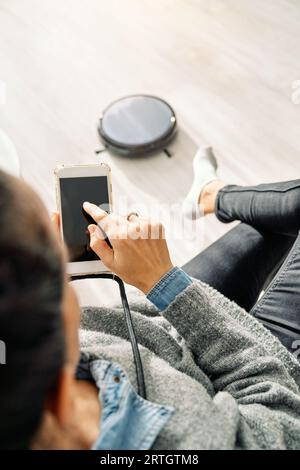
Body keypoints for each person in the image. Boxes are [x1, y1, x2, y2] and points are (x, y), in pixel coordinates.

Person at [0, 147, 300, 450]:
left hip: (158, 326)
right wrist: (163, 281)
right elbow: (285, 420)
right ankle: (213, 195)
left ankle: (210, 195)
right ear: (60, 394)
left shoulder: (26, 366)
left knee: (280, 213)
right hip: (257, 368)